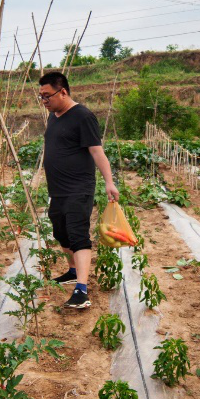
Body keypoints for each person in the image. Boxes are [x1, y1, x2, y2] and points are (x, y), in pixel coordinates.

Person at [38, 71, 118, 310]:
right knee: (60, 232)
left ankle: (81, 290)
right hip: (58, 189)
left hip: (78, 188)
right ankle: (72, 271)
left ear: (63, 92)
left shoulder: (83, 116)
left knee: (78, 235)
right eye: (40, 97)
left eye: (47, 96)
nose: (44, 101)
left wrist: (109, 182)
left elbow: (97, 152)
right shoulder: (54, 116)